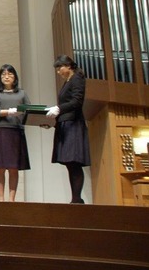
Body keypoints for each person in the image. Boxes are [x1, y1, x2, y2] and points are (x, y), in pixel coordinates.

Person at [46, 54, 91, 204]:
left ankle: (77, 199)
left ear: (69, 66)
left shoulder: (77, 78)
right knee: (69, 164)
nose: (58, 71)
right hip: (65, 124)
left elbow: (77, 101)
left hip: (73, 124)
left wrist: (58, 108)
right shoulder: (68, 82)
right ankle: (75, 198)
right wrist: (52, 120)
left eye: (60, 67)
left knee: (74, 162)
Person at [0, 64, 31, 202]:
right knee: (0, 167)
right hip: (0, 131)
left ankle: (11, 199)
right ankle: (1, 199)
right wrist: (8, 111)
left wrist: (41, 121)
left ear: (15, 77)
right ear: (0, 77)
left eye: (10, 74)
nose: (7, 77)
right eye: (4, 74)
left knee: (13, 167)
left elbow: (29, 111)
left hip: (15, 132)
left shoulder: (22, 93)